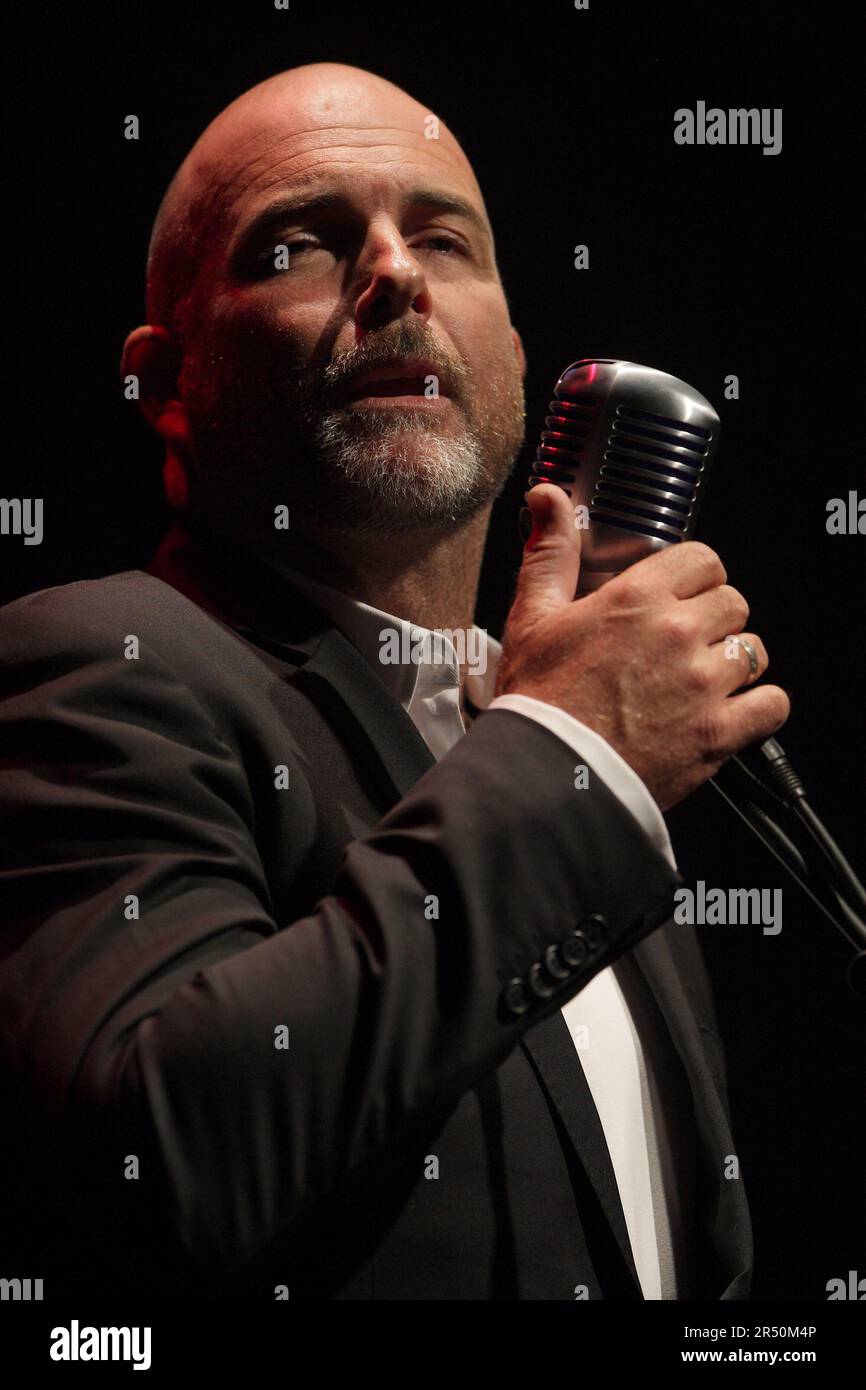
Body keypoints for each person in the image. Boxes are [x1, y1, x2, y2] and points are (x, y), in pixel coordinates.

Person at [0, 62, 789, 1301]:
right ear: (164, 383)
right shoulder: (92, 664)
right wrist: (566, 757)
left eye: (440, 238)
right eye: (299, 246)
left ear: (516, 354)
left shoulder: (565, 754)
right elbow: (157, 1159)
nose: (395, 273)